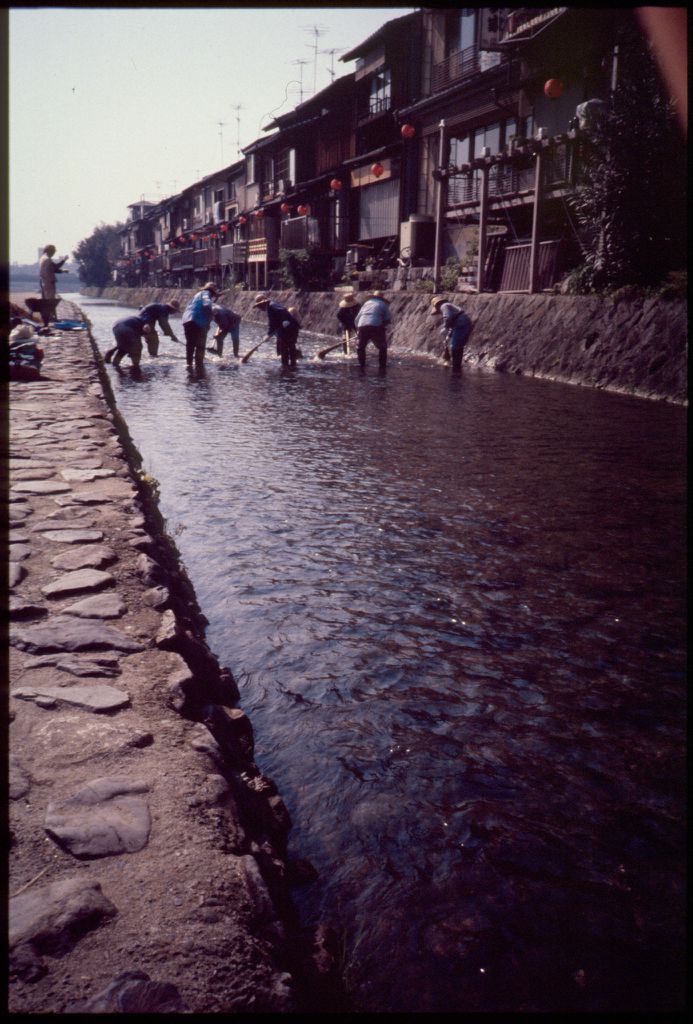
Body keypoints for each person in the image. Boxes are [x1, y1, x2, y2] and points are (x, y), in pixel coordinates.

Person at [251, 294, 301, 365]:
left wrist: (285, 320)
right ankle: (289, 367)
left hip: (290, 327)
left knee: (288, 347)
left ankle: (288, 366)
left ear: (263, 304)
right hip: (286, 329)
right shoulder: (269, 307)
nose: (259, 308)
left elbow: (283, 310)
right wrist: (269, 334)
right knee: (286, 348)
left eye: (259, 306)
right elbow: (272, 324)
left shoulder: (272, 305)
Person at [181, 281, 219, 369]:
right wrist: (211, 315)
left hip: (186, 319)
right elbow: (207, 304)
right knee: (200, 345)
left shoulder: (198, 294)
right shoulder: (206, 294)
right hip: (198, 320)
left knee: (190, 344)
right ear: (212, 291)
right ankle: (199, 365)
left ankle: (189, 364)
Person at [430, 296, 473, 371]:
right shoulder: (448, 306)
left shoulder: (444, 306)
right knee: (458, 345)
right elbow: (452, 323)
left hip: (461, 323)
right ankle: (457, 366)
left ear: (437, 305)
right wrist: (449, 335)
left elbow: (448, 317)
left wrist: (446, 328)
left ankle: (456, 367)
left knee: (455, 347)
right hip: (462, 323)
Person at [354, 290, 391, 371]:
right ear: (381, 298)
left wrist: (358, 331)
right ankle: (382, 366)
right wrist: (382, 325)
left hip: (362, 325)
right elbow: (388, 319)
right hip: (375, 326)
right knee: (382, 347)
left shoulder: (366, 304)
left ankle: (362, 365)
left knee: (360, 347)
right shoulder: (383, 304)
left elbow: (357, 320)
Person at [37, 244, 69, 325]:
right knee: (50, 301)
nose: (54, 254)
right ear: (50, 251)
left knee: (47, 300)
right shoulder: (47, 259)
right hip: (49, 282)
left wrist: (62, 271)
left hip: (44, 282)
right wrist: (64, 260)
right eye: (53, 252)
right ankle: (51, 317)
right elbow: (55, 267)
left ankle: (50, 317)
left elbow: (53, 269)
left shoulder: (42, 258)